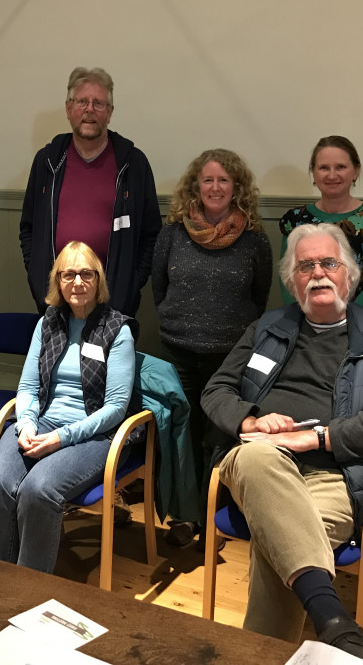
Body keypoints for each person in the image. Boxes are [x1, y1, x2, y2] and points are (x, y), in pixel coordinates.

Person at [202, 223, 363, 664]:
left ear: (350, 275)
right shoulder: (267, 327)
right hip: (258, 463)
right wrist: (254, 419)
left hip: (338, 474)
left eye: (329, 263)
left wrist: (319, 437)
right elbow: (216, 390)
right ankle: (333, 621)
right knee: (259, 455)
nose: (318, 273)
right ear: (291, 281)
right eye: (305, 266)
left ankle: (276, 647)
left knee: (281, 539)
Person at [0, 241, 138, 573]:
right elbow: (26, 387)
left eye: (86, 274)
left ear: (98, 280)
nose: (77, 283)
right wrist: (25, 425)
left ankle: (30, 591)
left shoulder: (117, 330)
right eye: (68, 275)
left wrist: (62, 438)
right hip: (40, 424)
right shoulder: (47, 323)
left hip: (94, 435)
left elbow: (115, 408)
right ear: (58, 281)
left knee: (38, 490)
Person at [152, 148, 273, 548]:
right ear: (195, 186)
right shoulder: (172, 234)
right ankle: (184, 518)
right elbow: (159, 288)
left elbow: (260, 298)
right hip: (179, 352)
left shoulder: (254, 239)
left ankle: (212, 518)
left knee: (220, 436)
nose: (215, 187)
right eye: (208, 180)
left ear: (236, 187)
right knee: (182, 434)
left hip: (230, 356)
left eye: (224, 180)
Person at [19, 67, 161, 316]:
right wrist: (38, 275)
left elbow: (151, 234)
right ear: (68, 109)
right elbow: (28, 228)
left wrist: (131, 283)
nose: (89, 110)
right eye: (82, 102)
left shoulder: (133, 164)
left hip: (114, 303)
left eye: (98, 103)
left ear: (109, 113)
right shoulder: (47, 161)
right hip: (56, 301)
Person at [279, 136, 363, 312]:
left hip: (361, 322)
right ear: (314, 173)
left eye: (341, 167)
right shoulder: (294, 220)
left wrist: (341, 323)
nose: (332, 175)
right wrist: (310, 319)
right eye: (324, 168)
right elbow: (287, 280)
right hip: (305, 322)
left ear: (355, 171)